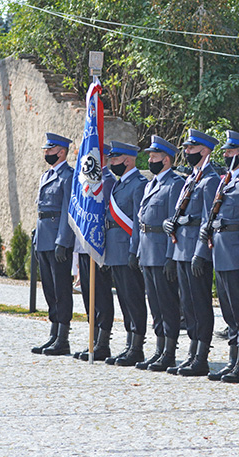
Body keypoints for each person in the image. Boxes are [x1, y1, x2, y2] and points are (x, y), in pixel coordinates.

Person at [200, 130, 239, 383]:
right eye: (225, 152)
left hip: (238, 253)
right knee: (228, 311)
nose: (225, 156)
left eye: (229, 152)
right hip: (221, 252)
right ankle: (233, 359)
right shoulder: (225, 180)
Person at [162, 129, 222, 376]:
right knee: (187, 305)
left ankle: (201, 356)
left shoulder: (210, 181)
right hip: (181, 250)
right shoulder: (191, 179)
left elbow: (208, 219)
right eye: (186, 148)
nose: (187, 152)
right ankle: (192, 351)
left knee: (199, 304)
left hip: (195, 252)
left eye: (192, 149)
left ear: (205, 151)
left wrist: (201, 253)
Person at [135, 135, 183, 372]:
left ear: (166, 159)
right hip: (147, 250)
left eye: (153, 157)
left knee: (167, 304)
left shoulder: (174, 184)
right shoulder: (150, 184)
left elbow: (174, 224)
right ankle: (159, 349)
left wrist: (171, 256)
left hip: (162, 250)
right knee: (154, 304)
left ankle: (170, 352)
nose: (150, 160)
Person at [101, 141, 149, 367]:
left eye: (115, 159)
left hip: (127, 248)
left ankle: (137, 347)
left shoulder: (138, 184)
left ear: (127, 160)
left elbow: (139, 222)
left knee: (134, 299)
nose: (111, 162)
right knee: (124, 299)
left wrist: (134, 249)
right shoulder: (120, 184)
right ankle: (129, 344)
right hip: (115, 249)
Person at [31, 133, 75, 356]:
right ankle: (53, 332)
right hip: (44, 239)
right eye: (46, 150)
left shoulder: (68, 176)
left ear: (61, 152)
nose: (46, 154)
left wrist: (62, 241)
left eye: (50, 150)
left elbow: (68, 210)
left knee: (61, 289)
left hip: (58, 239)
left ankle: (63, 337)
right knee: (49, 288)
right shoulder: (46, 175)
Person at [74, 143, 116, 361]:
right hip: (84, 245)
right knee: (88, 296)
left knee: (101, 295)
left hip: (99, 247)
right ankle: (92, 338)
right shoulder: (85, 180)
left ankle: (103, 342)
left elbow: (107, 216)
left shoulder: (107, 181)